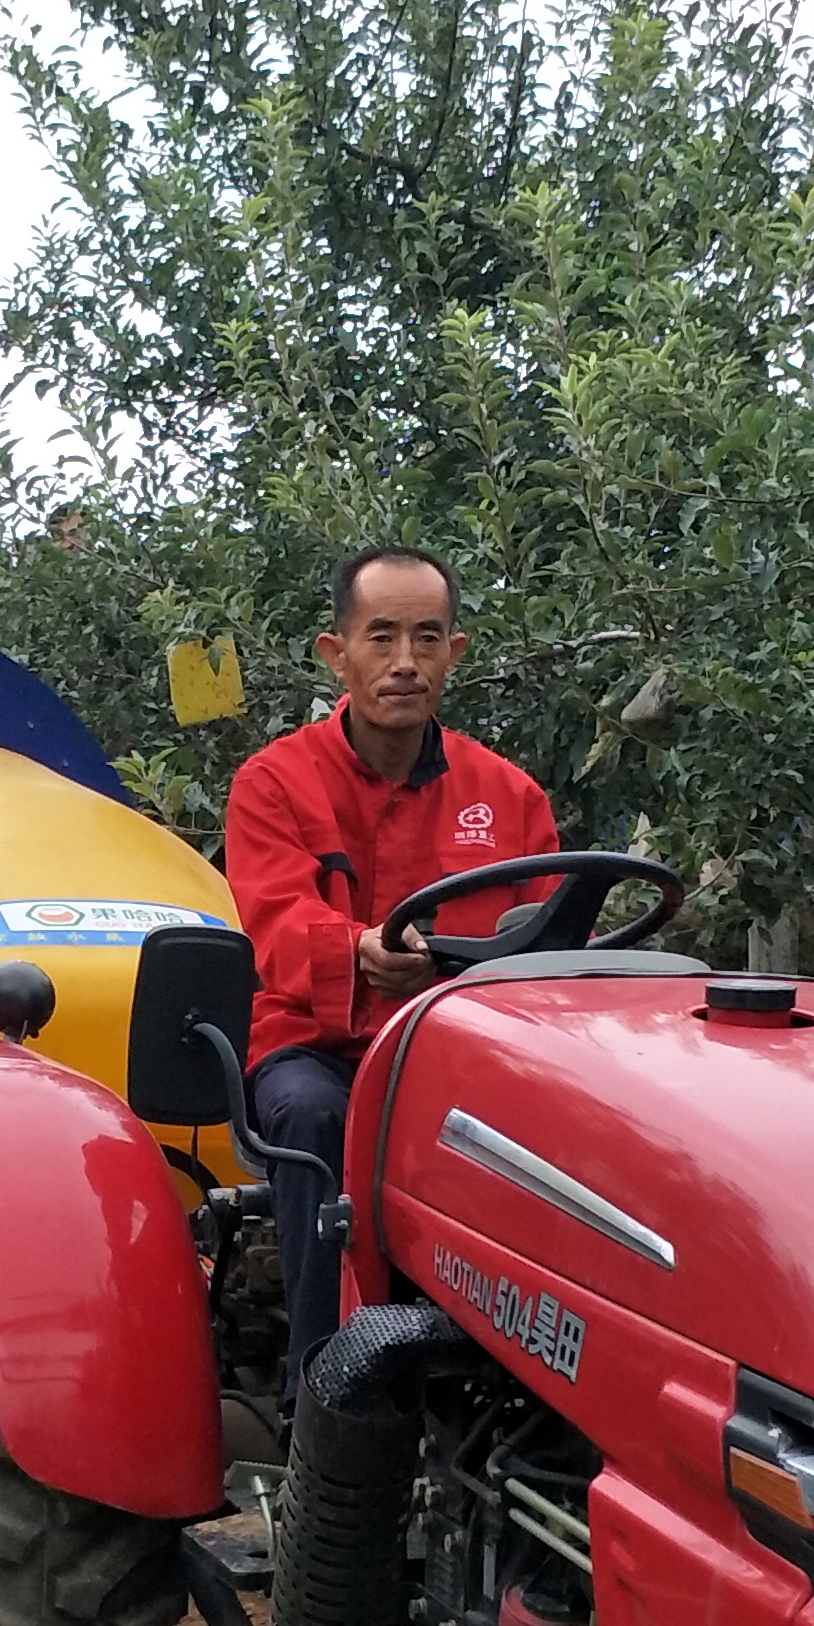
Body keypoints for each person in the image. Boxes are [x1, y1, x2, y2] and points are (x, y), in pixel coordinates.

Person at [221, 545, 559, 1379]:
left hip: (462, 1055)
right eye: (382, 638)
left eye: (427, 638)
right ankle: (322, 1397)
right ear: (337, 654)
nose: (405, 662)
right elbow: (275, 918)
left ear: (456, 652)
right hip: (318, 1048)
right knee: (311, 1117)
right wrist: (359, 951)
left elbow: (547, 946)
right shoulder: (275, 783)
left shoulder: (510, 796)